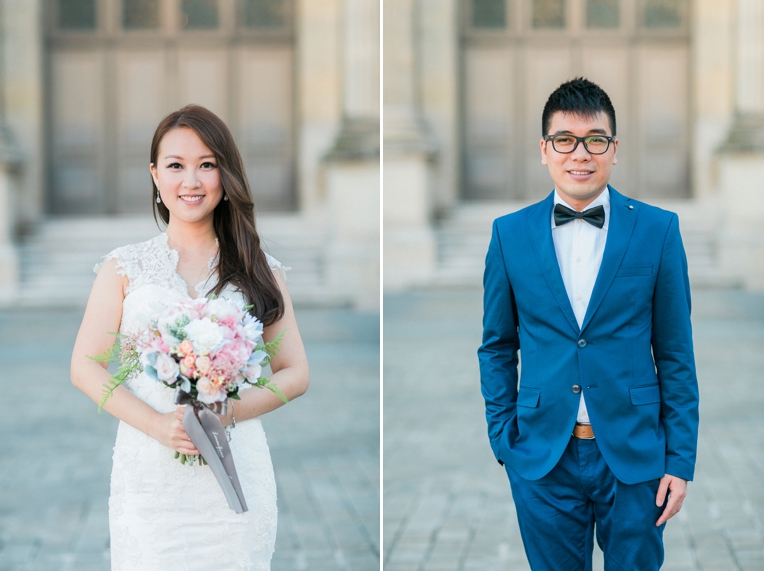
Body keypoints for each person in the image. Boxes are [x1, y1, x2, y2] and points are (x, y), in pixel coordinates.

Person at [71, 104, 310, 570]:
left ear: (226, 175)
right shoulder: (125, 267)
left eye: (207, 165)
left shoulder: (261, 270)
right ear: (155, 176)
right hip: (150, 473)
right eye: (176, 166)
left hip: (236, 462)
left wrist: (230, 411)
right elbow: (84, 365)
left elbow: (296, 372)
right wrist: (158, 425)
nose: (192, 181)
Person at [477, 78, 699, 570]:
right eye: (565, 141)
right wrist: (505, 440)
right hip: (542, 458)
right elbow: (496, 346)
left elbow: (676, 354)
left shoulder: (659, 231)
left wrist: (679, 461)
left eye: (595, 140)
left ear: (613, 150)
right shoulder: (508, 234)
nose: (580, 154)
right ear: (544, 150)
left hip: (636, 456)